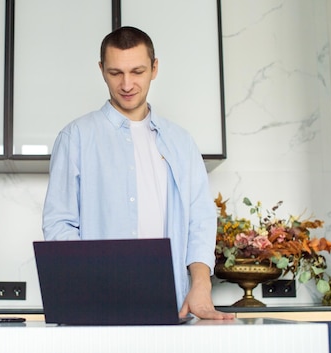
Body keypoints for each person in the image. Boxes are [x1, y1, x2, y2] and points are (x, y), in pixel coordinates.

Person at [42, 26, 233, 320]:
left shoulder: (181, 142)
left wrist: (201, 284)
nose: (127, 84)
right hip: (98, 309)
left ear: (155, 68)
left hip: (174, 308)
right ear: (101, 70)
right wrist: (94, 284)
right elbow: (59, 225)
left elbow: (200, 221)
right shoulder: (75, 137)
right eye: (115, 72)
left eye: (138, 71)